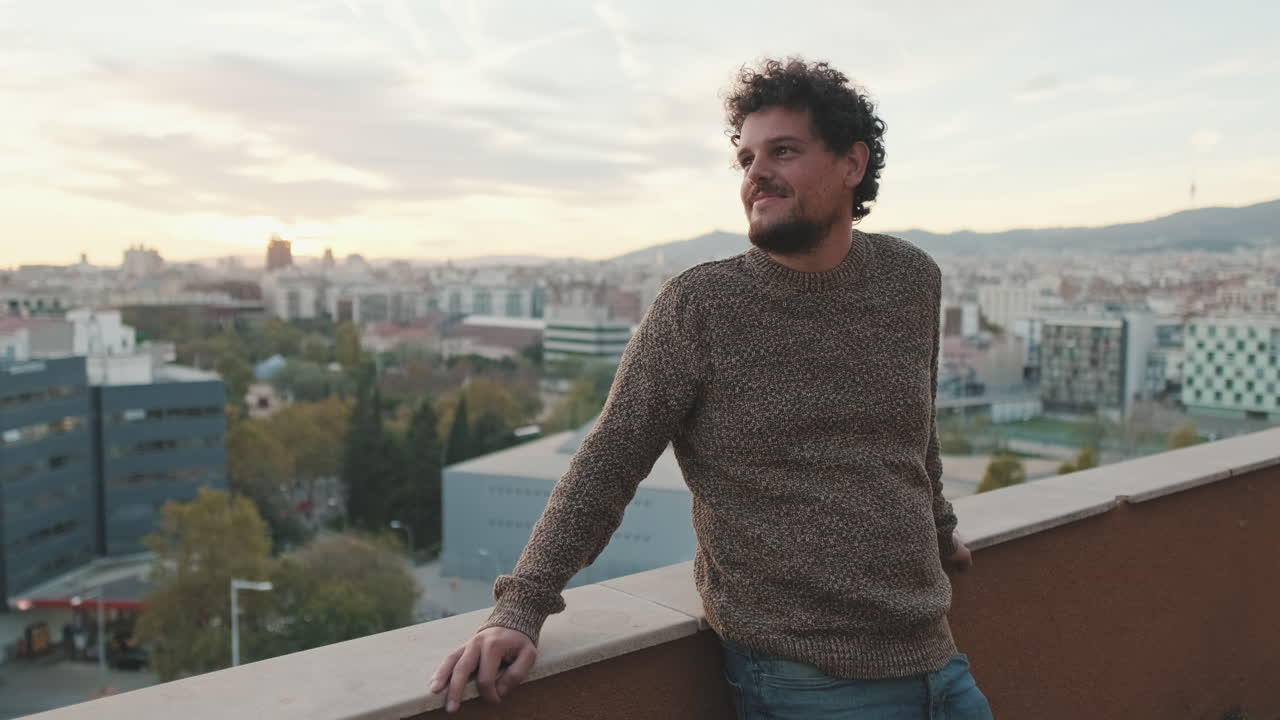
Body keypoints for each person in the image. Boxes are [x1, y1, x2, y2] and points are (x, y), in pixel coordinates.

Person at [431, 57, 994, 719]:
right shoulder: (702, 307)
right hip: (802, 678)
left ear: (852, 164)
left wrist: (940, 529)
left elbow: (911, 434)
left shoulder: (910, 279)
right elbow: (608, 462)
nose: (757, 173)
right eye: (748, 157)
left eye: (783, 151)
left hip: (935, 653)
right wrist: (520, 607)